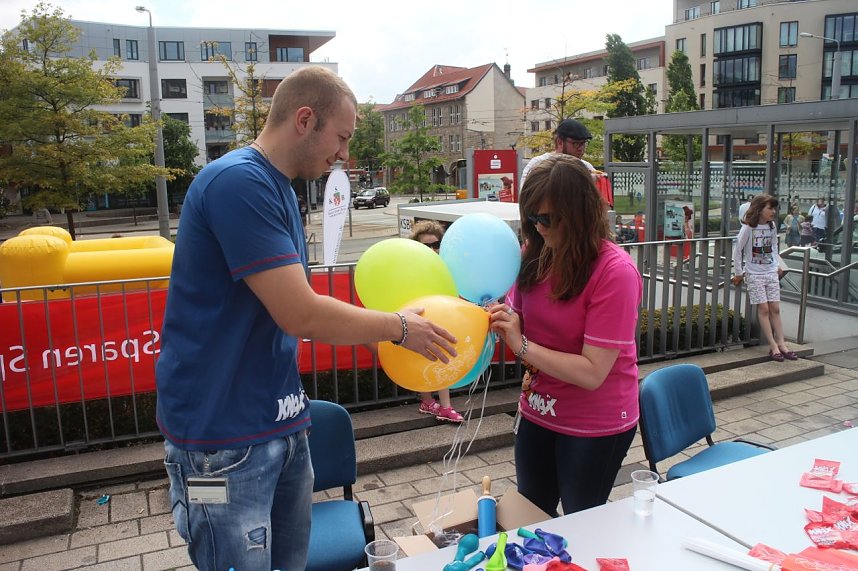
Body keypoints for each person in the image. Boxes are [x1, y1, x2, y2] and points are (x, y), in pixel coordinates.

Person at [155, 66, 457, 571]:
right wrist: (398, 328)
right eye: (341, 137)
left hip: (279, 424)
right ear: (304, 119)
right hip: (219, 445)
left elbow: (291, 306)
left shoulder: (279, 188)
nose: (344, 154)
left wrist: (376, 337)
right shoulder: (237, 184)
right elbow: (300, 313)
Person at [488, 154, 642, 517]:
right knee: (530, 515)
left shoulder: (614, 272)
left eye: (547, 218)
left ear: (579, 214)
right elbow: (517, 319)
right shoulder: (534, 254)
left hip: (596, 422)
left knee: (580, 521)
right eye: (531, 218)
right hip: (539, 409)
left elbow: (592, 372)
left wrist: (521, 344)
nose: (538, 227)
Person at [731, 195, 798, 363]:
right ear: (760, 209)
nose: (773, 212)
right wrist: (739, 273)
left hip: (770, 272)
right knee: (764, 309)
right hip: (754, 274)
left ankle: (782, 345)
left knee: (775, 308)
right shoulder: (748, 228)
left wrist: (776, 264)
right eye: (770, 208)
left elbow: (774, 247)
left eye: (774, 208)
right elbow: (737, 251)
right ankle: (773, 347)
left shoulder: (772, 226)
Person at [409, 220, 464, 423]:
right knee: (424, 357)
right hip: (418, 319)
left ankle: (444, 405)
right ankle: (429, 401)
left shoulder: (446, 265)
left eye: (436, 244)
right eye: (427, 245)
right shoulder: (411, 268)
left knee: (442, 355)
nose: (433, 249)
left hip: (441, 317)